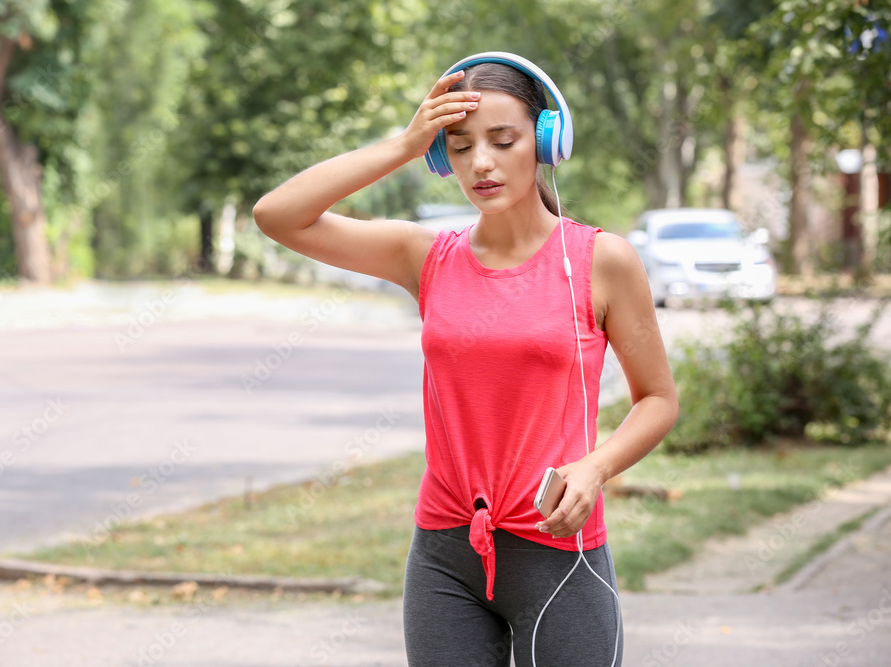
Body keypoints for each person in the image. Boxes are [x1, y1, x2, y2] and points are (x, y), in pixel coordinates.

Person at [253, 53, 678, 667]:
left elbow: (658, 400)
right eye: (457, 147)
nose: (481, 163)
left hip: (558, 552)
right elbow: (278, 215)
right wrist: (403, 144)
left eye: (503, 141)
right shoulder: (424, 256)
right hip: (445, 554)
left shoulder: (599, 260)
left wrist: (595, 467)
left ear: (547, 140)